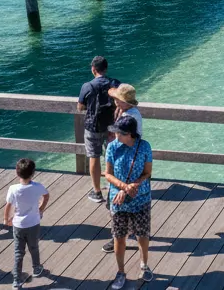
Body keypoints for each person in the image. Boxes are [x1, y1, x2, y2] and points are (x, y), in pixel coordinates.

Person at [103, 114, 153, 290]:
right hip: (118, 198)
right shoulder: (112, 147)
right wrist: (124, 187)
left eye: (120, 133)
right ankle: (120, 271)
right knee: (119, 236)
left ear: (130, 134)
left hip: (141, 197)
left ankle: (144, 265)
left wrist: (134, 185)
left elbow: (147, 173)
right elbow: (107, 174)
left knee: (142, 234)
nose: (116, 135)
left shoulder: (145, 146)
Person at [101, 83, 142, 253]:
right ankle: (132, 229)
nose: (116, 102)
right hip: (128, 162)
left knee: (115, 205)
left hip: (125, 165)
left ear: (127, 102)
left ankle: (117, 238)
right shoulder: (132, 112)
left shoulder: (129, 119)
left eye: (119, 100)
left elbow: (127, 142)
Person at [4, 158, 50, 290]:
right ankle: (36, 268)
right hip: (33, 223)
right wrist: (41, 209)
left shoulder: (13, 189)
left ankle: (17, 280)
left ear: (17, 173)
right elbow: (46, 196)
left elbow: (8, 205)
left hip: (18, 225)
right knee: (34, 247)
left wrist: (6, 219)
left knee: (19, 252)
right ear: (33, 173)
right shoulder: (37, 187)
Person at [78, 55, 120, 204]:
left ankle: (97, 192)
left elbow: (80, 106)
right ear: (106, 68)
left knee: (94, 157)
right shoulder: (114, 83)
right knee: (111, 157)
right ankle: (112, 189)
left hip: (93, 127)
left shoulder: (87, 86)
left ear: (93, 69)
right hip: (111, 127)